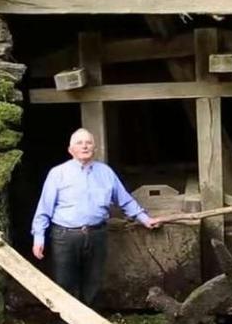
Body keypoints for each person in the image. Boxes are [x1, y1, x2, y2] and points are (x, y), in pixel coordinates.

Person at [31, 128, 159, 304]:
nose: (84, 146)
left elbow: (125, 200)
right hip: (65, 235)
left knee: (94, 281)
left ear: (95, 148)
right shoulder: (57, 173)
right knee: (65, 281)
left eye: (88, 142)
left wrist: (145, 219)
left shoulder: (106, 172)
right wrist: (39, 237)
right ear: (70, 150)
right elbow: (44, 208)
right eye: (79, 143)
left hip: (96, 233)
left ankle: (92, 323)